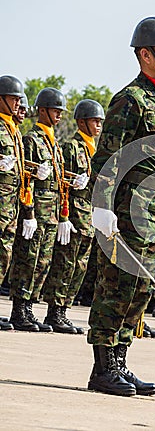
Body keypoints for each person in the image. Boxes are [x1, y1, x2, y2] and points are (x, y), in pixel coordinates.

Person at [87, 16, 155, 397]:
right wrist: (101, 206)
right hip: (126, 214)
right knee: (116, 288)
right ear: (145, 54)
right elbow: (109, 157)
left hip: (154, 218)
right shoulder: (131, 100)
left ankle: (120, 364)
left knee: (139, 291)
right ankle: (102, 369)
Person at [8, 87, 80, 333]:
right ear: (42, 110)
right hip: (36, 210)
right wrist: (28, 212)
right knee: (28, 259)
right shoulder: (31, 139)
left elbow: (59, 183)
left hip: (51, 213)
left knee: (43, 262)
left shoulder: (54, 143)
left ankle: (29, 307)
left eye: (61, 111)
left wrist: (63, 215)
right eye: (55, 110)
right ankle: (19, 309)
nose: (60, 114)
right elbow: (24, 177)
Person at [43, 99, 104, 333]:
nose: (98, 125)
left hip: (89, 215)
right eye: (94, 121)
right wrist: (63, 215)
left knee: (79, 266)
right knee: (65, 263)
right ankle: (54, 311)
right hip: (74, 213)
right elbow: (62, 183)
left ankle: (64, 309)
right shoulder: (72, 148)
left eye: (100, 121)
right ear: (81, 122)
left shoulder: (96, 151)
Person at [0, 75, 25, 331]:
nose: (18, 103)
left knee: (3, 256)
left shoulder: (12, 130)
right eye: (13, 98)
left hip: (9, 207)